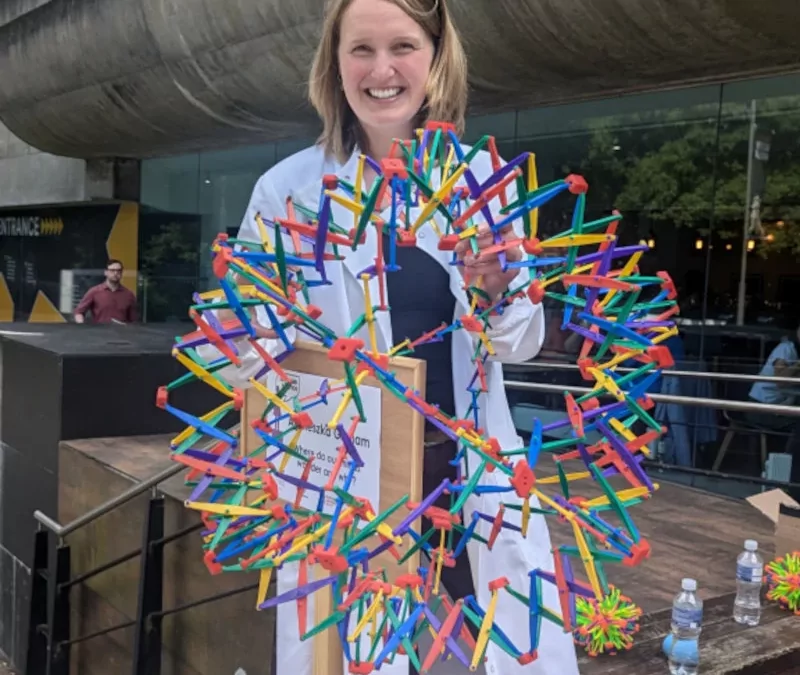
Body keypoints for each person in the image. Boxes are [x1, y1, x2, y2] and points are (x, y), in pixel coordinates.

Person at [222, 1, 579, 673]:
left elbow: (520, 343)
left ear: (437, 57)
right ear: (334, 64)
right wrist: (256, 334)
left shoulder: (481, 181)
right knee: (360, 654)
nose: (381, 70)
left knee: (502, 650)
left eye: (403, 47)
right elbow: (241, 352)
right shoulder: (287, 191)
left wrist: (497, 292)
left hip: (466, 479)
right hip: (351, 489)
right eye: (361, 49)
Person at [747, 325, 800, 429]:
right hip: (762, 407)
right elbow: (780, 381)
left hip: (782, 406)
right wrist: (798, 364)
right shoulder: (786, 348)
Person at [73, 259, 138, 324]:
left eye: (118, 271)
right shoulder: (94, 292)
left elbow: (133, 320)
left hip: (121, 330)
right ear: (106, 272)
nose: (115, 273)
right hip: (100, 330)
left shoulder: (129, 295)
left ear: (121, 273)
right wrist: (81, 325)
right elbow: (79, 312)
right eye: (112, 270)